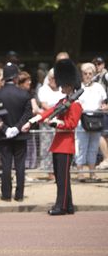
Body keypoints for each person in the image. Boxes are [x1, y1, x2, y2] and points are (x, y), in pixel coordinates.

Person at [21, 59, 82, 215]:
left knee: (62, 179)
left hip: (66, 145)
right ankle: (68, 205)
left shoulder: (75, 104)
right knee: (62, 178)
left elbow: (71, 124)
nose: (61, 87)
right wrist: (32, 121)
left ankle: (60, 206)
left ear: (70, 85)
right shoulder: (64, 101)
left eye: (64, 85)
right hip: (59, 144)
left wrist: (55, 123)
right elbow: (48, 112)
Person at [0, 63, 32, 201]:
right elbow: (28, 114)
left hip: (4, 135)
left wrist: (6, 129)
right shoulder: (24, 94)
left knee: (6, 166)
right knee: (20, 166)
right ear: (16, 77)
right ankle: (19, 195)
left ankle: (6, 194)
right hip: (20, 134)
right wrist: (17, 128)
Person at [75, 62, 106, 182]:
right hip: (82, 121)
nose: (88, 76)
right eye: (85, 73)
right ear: (82, 75)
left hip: (96, 120)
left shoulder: (99, 87)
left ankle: (92, 173)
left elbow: (105, 102)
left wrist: (104, 107)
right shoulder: (78, 87)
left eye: (90, 73)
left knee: (93, 147)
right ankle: (80, 173)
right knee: (81, 146)